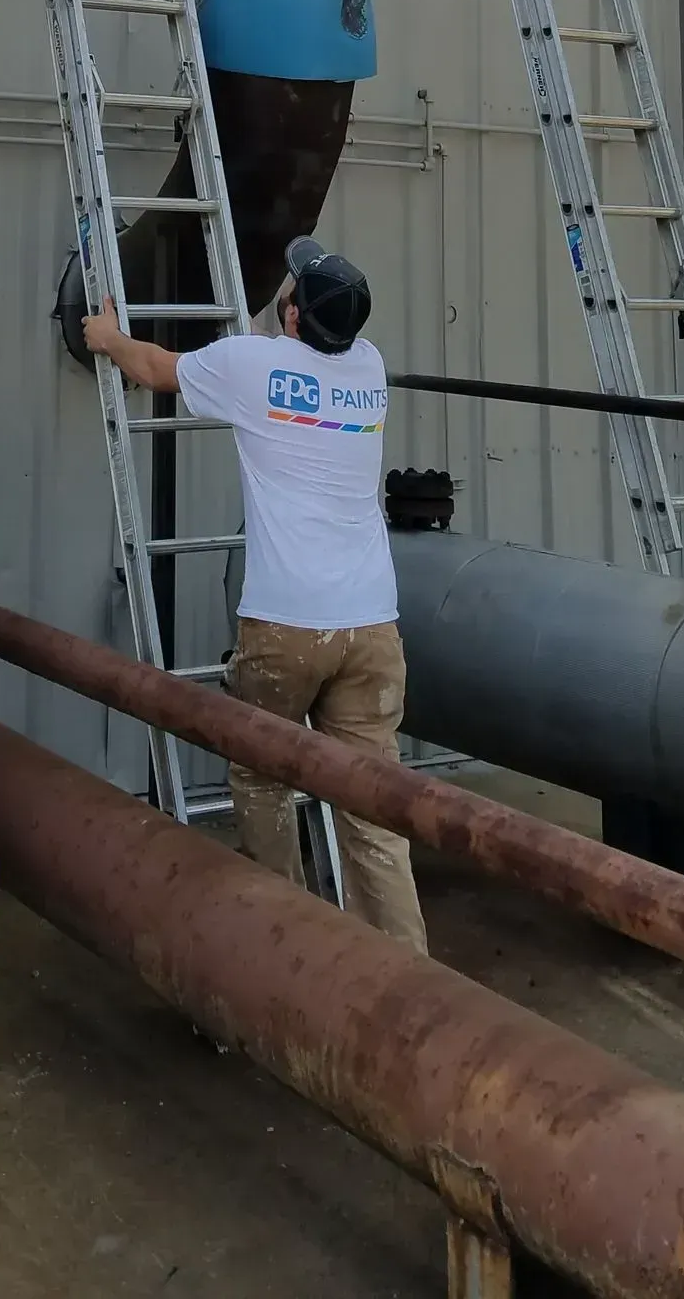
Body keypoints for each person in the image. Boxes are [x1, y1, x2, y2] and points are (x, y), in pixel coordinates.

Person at [83, 236, 428, 954]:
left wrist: (107, 337)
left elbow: (153, 368)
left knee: (264, 777)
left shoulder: (251, 362)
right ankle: (409, 975)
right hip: (372, 624)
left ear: (295, 313)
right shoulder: (370, 369)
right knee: (371, 806)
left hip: (287, 623)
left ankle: (289, 949)